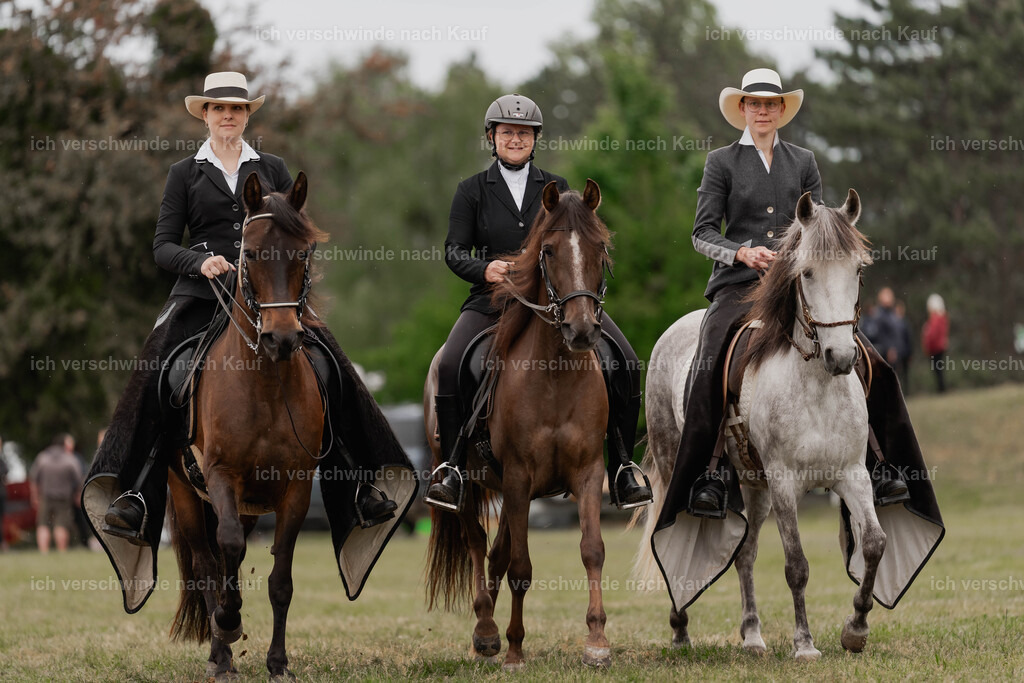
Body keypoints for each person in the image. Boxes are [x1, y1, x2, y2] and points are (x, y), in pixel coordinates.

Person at [84, 72, 409, 553]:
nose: (228, 116)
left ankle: (363, 482)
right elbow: (162, 247)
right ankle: (135, 490)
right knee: (157, 367)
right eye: (219, 109)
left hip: (269, 294)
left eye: (236, 109)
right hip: (201, 292)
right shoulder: (184, 173)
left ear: (246, 115)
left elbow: (295, 235)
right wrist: (200, 261)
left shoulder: (274, 167)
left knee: (331, 366)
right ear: (206, 115)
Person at [665, 68, 911, 520]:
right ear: (743, 109)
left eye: (770, 104)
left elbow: (819, 228)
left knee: (869, 359)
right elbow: (700, 233)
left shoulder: (804, 161)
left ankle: (882, 464)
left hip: (798, 286)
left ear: (782, 110)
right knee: (710, 362)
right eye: (754, 104)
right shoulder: (720, 162)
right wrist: (740, 253)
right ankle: (711, 472)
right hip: (738, 287)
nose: (762, 111)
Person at [424, 93, 652, 511]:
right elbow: (454, 251)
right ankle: (453, 468)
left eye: (524, 133)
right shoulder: (471, 191)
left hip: (557, 300)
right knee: (453, 362)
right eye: (508, 132)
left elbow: (577, 245)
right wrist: (485, 268)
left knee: (626, 360)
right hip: (492, 299)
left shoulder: (557, 188)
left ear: (535, 139)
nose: (516, 139)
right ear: (492, 137)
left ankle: (622, 466)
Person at [30, 434, 84, 554]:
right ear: (64, 445)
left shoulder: (42, 457)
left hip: (45, 496)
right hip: (63, 498)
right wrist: (78, 495)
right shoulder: (70, 459)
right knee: (61, 525)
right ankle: (62, 552)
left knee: (43, 524)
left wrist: (34, 496)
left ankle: (43, 553)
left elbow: (34, 478)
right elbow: (79, 479)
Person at [922, 293, 949, 393]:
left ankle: (941, 389)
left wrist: (929, 346)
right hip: (939, 347)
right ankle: (941, 388)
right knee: (939, 369)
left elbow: (932, 334)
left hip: (935, 348)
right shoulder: (942, 317)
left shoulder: (936, 318)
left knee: (938, 369)